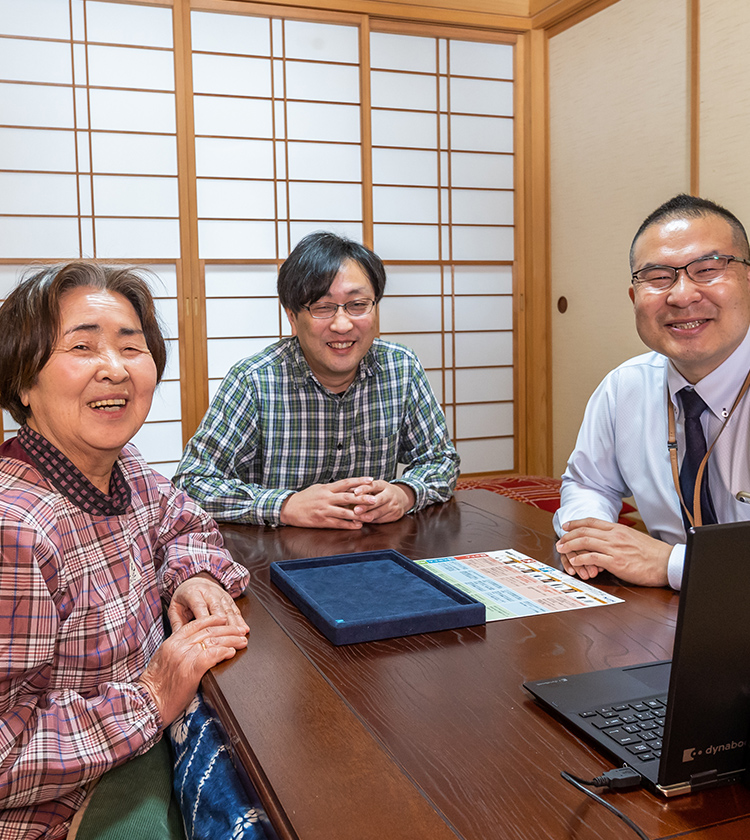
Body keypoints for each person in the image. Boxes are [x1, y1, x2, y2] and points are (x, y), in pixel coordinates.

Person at [0, 262, 251, 840]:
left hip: (136, 754)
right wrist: (151, 697)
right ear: (22, 381)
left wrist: (193, 577)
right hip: (58, 812)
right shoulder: (18, 531)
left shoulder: (122, 468)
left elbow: (184, 522)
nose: (114, 369)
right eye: (82, 346)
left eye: (131, 347)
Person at [174, 231, 459, 529]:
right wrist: (285, 505)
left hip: (373, 546)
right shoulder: (254, 381)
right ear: (292, 318)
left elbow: (441, 461)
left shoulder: (400, 367)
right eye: (323, 308)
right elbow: (191, 482)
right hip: (278, 551)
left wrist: (404, 493)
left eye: (357, 304)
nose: (342, 324)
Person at [554, 194, 750, 590]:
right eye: (658, 278)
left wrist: (672, 564)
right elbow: (589, 482)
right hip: (667, 618)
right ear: (634, 299)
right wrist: (590, 536)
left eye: (707, 269)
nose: (681, 295)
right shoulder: (625, 387)